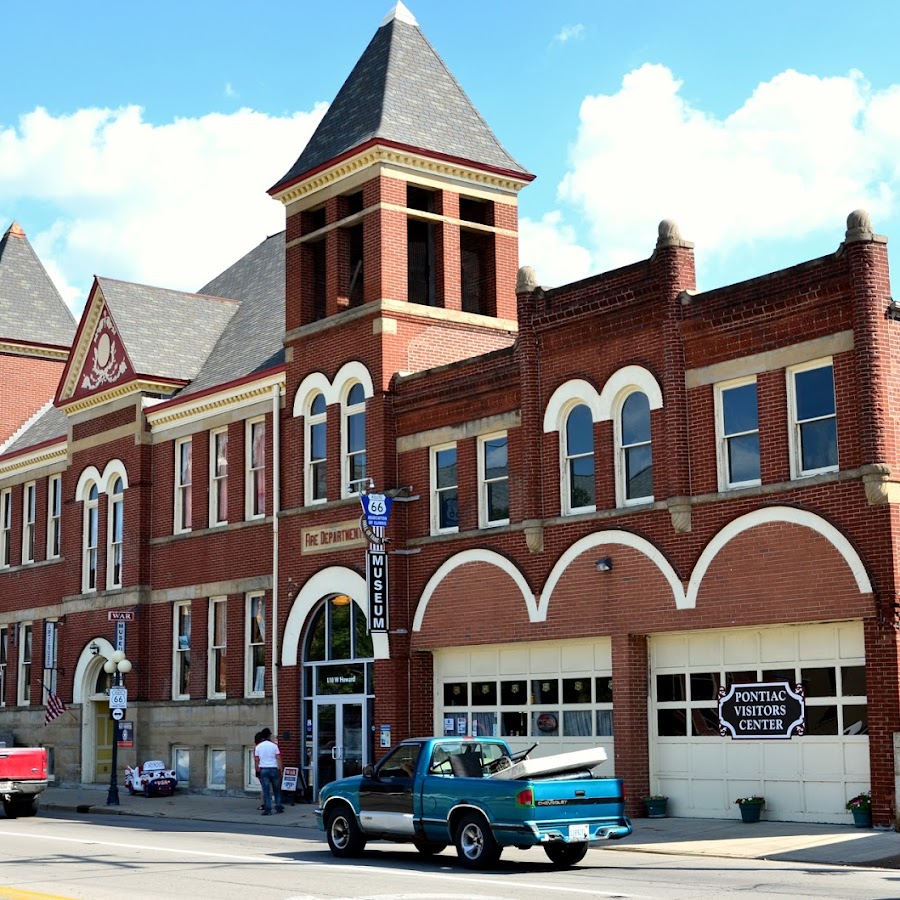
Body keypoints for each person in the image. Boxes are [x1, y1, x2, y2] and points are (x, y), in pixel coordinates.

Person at [254, 727, 284, 815]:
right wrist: (281, 769)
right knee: (277, 789)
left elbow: (256, 760)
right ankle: (278, 807)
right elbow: (278, 758)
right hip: (274, 769)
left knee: (266, 790)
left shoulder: (258, 747)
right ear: (269, 735)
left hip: (264, 769)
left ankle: (268, 809)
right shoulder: (274, 746)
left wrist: (257, 769)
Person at [253, 730, 265, 810]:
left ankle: (263, 804)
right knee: (265, 788)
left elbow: (256, 760)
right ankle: (263, 803)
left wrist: (257, 770)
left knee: (263, 787)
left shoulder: (256, 748)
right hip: (264, 768)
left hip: (260, 769)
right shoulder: (262, 747)